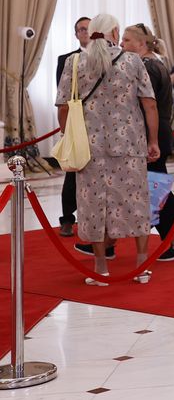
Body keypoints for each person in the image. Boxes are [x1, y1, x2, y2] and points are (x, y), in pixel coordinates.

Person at [55, 13, 157, 286]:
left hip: (90, 147)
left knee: (93, 204)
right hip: (130, 144)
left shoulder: (74, 62)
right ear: (114, 32)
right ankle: (142, 264)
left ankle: (100, 268)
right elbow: (149, 104)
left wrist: (67, 136)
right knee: (135, 202)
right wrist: (153, 141)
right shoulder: (132, 61)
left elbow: (63, 107)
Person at [121, 24, 174, 261]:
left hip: (152, 131)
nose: (122, 44)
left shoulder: (148, 67)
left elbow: (147, 105)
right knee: (155, 186)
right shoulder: (153, 63)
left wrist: (149, 138)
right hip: (155, 130)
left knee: (157, 187)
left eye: (127, 40)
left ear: (141, 44)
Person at [55, 16, 90, 238]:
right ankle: (67, 218)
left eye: (89, 29)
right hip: (77, 120)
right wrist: (64, 127)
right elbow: (62, 94)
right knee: (73, 171)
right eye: (81, 29)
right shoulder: (66, 59)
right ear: (76, 34)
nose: (85, 33)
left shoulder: (111, 58)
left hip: (102, 124)